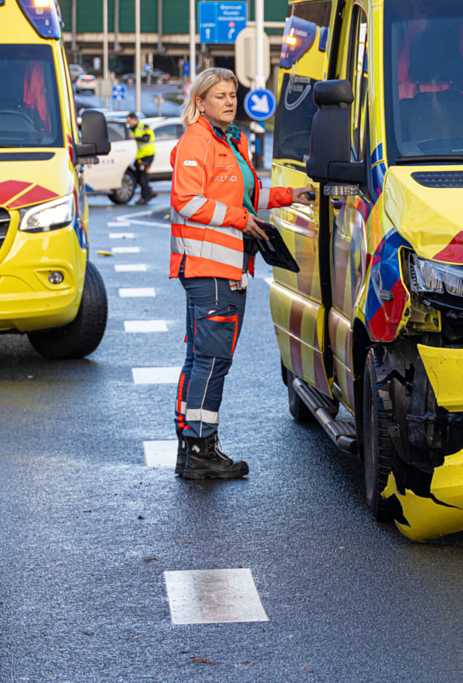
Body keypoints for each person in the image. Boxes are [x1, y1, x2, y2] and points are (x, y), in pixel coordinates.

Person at [170, 68, 312, 480]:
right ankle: (201, 451)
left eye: (233, 94)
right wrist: (240, 219)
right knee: (212, 361)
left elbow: (248, 194)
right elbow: (185, 200)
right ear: (200, 102)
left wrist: (289, 195)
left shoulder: (230, 140)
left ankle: (191, 447)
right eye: (220, 96)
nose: (230, 102)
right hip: (210, 270)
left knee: (200, 359)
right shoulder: (198, 140)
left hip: (223, 269)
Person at [126, 113, 156, 205]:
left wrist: (135, 137)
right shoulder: (131, 129)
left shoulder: (144, 127)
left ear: (134, 119)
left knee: (143, 176)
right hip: (139, 156)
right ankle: (149, 191)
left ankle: (144, 198)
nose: (128, 123)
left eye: (129, 121)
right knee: (136, 175)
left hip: (147, 155)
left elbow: (147, 137)